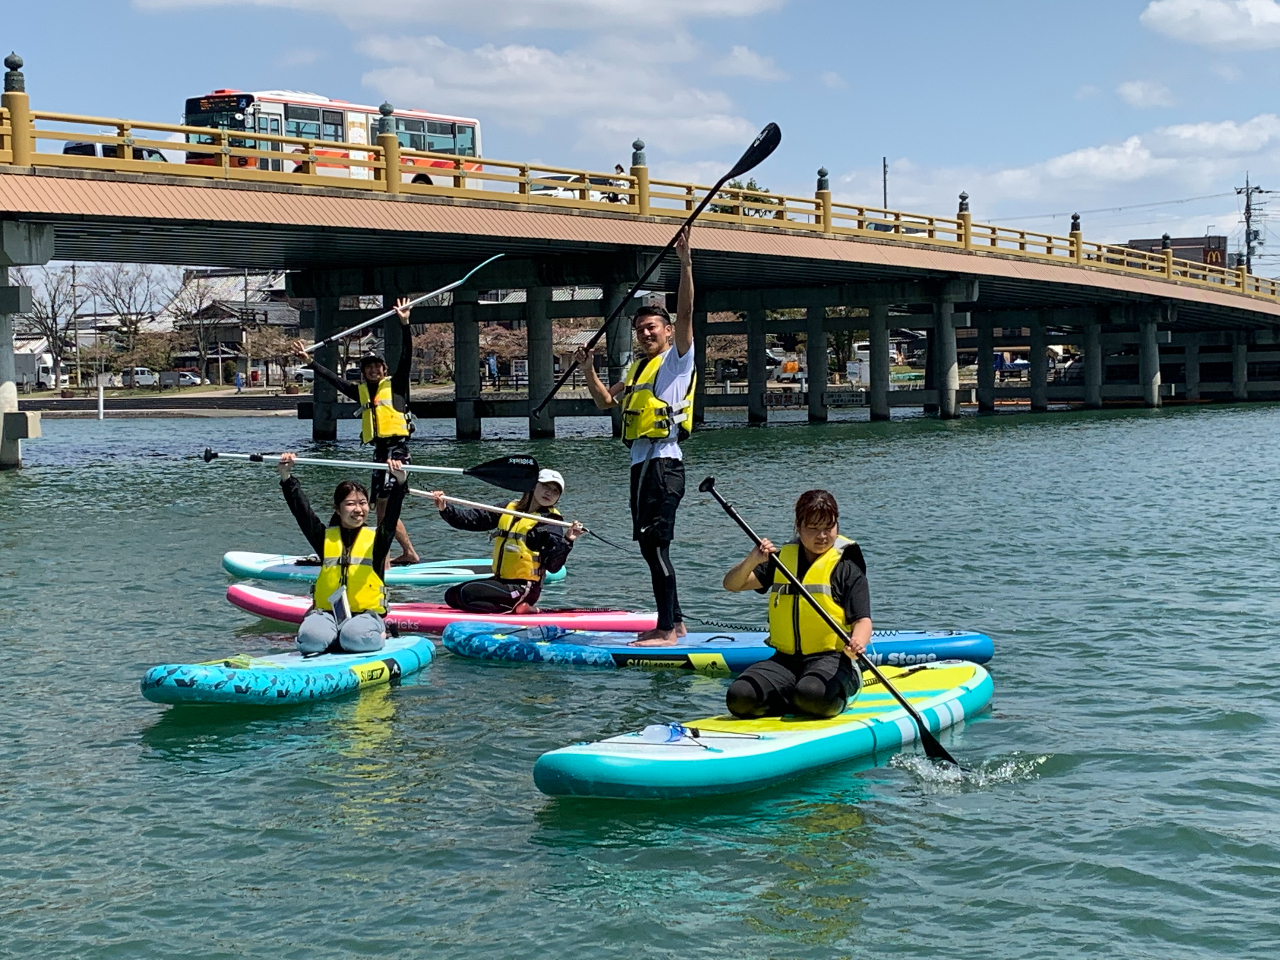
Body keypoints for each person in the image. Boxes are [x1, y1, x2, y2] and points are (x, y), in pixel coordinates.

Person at [578, 226, 696, 646]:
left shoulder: (677, 361)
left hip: (664, 463)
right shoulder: (637, 370)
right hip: (640, 465)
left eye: (653, 327)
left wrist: (684, 265)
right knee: (650, 547)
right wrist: (588, 367)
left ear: (666, 332)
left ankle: (667, 628)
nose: (647, 333)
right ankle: (675, 622)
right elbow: (604, 403)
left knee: (656, 546)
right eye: (641, 328)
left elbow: (685, 314)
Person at [720, 490, 872, 719]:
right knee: (740, 697)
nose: (822, 536)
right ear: (798, 526)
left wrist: (857, 643)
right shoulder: (781, 561)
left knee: (813, 695)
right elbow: (732, 584)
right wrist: (752, 560)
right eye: (813, 528)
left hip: (832, 660)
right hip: (785, 661)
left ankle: (844, 687)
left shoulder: (846, 568)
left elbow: (862, 620)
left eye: (828, 527)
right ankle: (794, 696)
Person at [293, 297, 420, 566]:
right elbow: (333, 379)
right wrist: (310, 361)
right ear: (363, 373)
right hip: (379, 453)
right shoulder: (359, 392)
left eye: (378, 366)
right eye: (368, 368)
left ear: (384, 370)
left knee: (385, 510)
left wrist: (405, 323)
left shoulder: (396, 386)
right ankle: (408, 553)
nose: (373, 370)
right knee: (380, 509)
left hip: (397, 451)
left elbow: (406, 356)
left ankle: (383, 562)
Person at [277, 452, 408, 654]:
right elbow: (302, 513)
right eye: (350, 504)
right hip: (327, 613)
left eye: (363, 503)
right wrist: (287, 478)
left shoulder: (377, 539)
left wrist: (399, 483)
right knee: (309, 641)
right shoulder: (324, 538)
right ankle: (332, 636)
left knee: (354, 638)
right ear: (337, 509)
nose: (358, 509)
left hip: (365, 615)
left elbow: (391, 516)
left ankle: (379, 635)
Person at [427, 469, 584, 614]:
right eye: (545, 486)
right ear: (533, 485)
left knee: (465, 593)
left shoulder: (550, 521)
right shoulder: (508, 508)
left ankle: (528, 609)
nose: (549, 493)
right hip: (501, 582)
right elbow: (471, 520)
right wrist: (445, 508)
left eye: (555, 491)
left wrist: (568, 540)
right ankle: (517, 609)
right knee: (451, 596)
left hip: (525, 588)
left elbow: (553, 566)